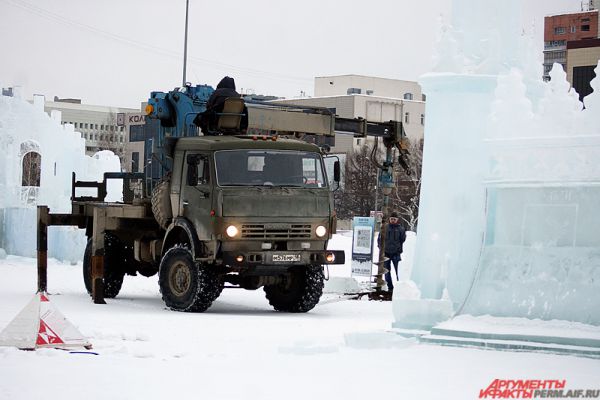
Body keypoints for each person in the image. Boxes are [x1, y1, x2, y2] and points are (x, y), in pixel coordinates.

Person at [377, 211, 406, 292]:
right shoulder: (385, 227)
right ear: (389, 219)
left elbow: (403, 240)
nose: (393, 220)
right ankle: (390, 288)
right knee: (387, 272)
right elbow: (379, 239)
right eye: (391, 219)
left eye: (394, 219)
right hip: (386, 253)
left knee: (399, 271)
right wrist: (381, 249)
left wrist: (399, 250)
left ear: (397, 220)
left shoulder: (401, 229)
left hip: (396, 254)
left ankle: (400, 287)